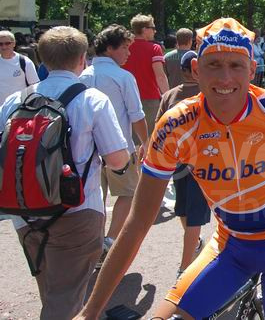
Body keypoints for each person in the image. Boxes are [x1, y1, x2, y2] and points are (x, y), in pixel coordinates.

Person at [79, 18, 265, 319]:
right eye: (214, 65)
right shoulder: (177, 125)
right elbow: (137, 222)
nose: (225, 78)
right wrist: (90, 311)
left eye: (236, 66)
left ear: (252, 71)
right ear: (196, 71)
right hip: (231, 247)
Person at [4, 26, 130, 319]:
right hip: (77, 209)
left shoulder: (15, 101)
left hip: (23, 210)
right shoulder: (92, 99)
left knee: (50, 289)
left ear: (41, 58)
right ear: (82, 58)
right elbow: (115, 159)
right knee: (66, 299)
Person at [79, 25, 148, 262]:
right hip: (119, 148)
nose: (128, 53)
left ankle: (93, 242)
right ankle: (109, 241)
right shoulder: (123, 77)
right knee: (129, 193)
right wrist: (145, 142)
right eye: (125, 47)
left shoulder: (83, 76)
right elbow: (136, 115)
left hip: (86, 150)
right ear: (110, 49)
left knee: (94, 197)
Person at [155, 50, 210, 278]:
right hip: (203, 163)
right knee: (192, 214)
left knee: (184, 210)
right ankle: (187, 264)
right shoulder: (208, 95)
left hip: (179, 161)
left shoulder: (169, 96)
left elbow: (158, 127)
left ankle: (189, 258)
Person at [122, 14, 169, 128]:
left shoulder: (124, 47)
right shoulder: (154, 49)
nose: (155, 31)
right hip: (149, 99)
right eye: (152, 28)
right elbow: (160, 76)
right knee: (150, 138)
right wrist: (168, 97)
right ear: (144, 30)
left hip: (125, 98)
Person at [0, 29, 40, 104]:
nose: (4, 47)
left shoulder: (24, 62)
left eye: (7, 43)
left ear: (14, 44)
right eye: (0, 44)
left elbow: (34, 86)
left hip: (19, 108)